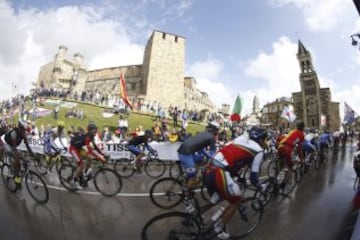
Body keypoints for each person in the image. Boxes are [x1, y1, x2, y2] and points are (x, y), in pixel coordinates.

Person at [201, 127, 268, 239]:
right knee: (236, 200)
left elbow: (230, 161)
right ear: (261, 140)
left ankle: (194, 216)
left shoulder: (239, 139)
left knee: (216, 198)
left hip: (209, 168)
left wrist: (239, 177)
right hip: (219, 173)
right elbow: (254, 178)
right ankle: (218, 229)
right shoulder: (258, 151)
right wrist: (261, 187)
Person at [177, 121, 220, 188]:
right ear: (215, 130)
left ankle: (190, 175)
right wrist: (214, 159)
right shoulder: (212, 137)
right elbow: (213, 153)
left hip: (185, 151)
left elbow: (200, 148)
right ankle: (187, 192)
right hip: (186, 153)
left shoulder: (203, 133)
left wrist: (207, 155)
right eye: (217, 130)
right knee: (193, 175)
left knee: (200, 160)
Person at [69, 122, 106, 189]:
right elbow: (90, 150)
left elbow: (95, 146)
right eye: (95, 130)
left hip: (80, 148)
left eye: (96, 129)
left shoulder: (92, 136)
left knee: (89, 158)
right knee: (81, 165)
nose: (96, 131)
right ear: (90, 130)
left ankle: (85, 173)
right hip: (73, 148)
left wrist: (101, 154)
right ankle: (73, 181)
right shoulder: (87, 137)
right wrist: (99, 157)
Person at [0, 120, 36, 186]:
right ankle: (16, 177)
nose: (24, 131)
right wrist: (19, 158)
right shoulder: (14, 133)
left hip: (14, 146)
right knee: (18, 161)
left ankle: (14, 171)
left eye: (24, 130)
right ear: (19, 128)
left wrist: (33, 154)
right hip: (7, 144)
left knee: (21, 159)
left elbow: (27, 146)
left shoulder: (23, 134)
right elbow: (14, 149)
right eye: (22, 129)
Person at [277, 120, 305, 190]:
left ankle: (274, 181)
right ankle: (282, 185)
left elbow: (284, 138)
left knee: (280, 165)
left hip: (280, 147)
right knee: (290, 168)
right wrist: (301, 160)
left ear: (297, 126)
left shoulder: (292, 131)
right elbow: (299, 148)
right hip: (287, 149)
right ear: (303, 127)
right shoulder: (301, 134)